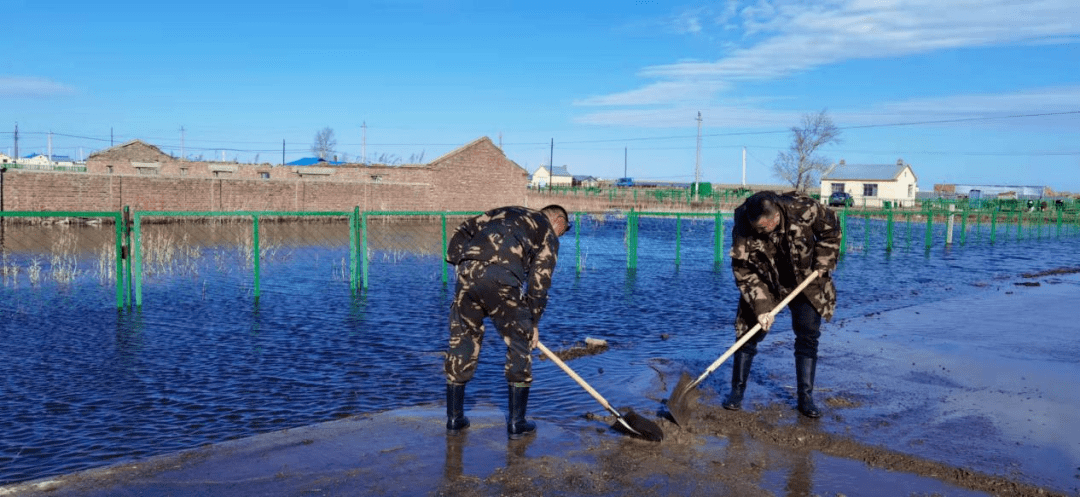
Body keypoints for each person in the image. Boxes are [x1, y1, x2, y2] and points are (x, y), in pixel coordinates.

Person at [443, 205, 571, 438]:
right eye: (565, 229)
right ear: (558, 221)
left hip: (467, 275)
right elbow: (539, 282)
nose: (563, 233)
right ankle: (517, 423)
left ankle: (454, 419)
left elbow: (464, 229)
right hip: (502, 279)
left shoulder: (506, 211)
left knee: (463, 340)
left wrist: (457, 261)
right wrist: (532, 323)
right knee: (520, 345)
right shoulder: (547, 232)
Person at [725, 191, 842, 418]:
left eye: (770, 225)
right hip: (765, 280)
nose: (766, 230)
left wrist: (824, 260)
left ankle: (805, 398)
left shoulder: (803, 207)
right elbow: (743, 269)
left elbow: (832, 229)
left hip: (805, 278)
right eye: (760, 228)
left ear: (777, 214)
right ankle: (736, 393)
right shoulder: (742, 224)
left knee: (807, 335)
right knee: (748, 333)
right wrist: (761, 309)